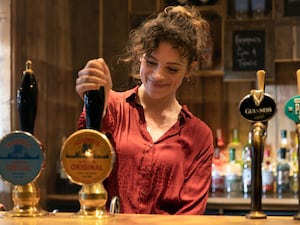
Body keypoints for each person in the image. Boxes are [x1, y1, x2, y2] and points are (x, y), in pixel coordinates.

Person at [75, 5, 214, 215]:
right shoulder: (111, 106)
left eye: (172, 68)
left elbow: (190, 216)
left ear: (190, 69)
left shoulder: (199, 136)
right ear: (140, 56)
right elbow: (82, 165)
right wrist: (94, 107)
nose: (158, 75)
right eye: (151, 62)